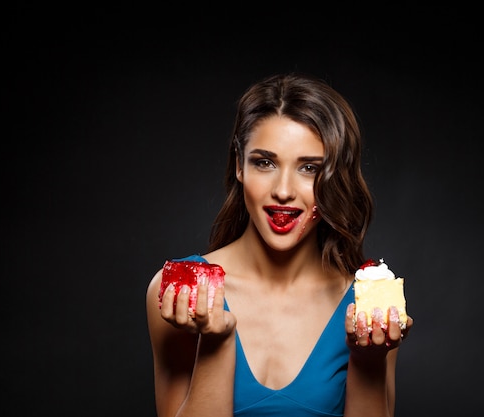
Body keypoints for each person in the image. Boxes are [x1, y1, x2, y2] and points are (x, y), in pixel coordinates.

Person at [146, 72, 413, 417]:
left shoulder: (368, 305)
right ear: (239, 165)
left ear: (336, 177)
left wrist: (369, 359)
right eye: (265, 162)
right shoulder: (181, 293)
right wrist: (217, 341)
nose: (284, 190)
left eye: (309, 168)